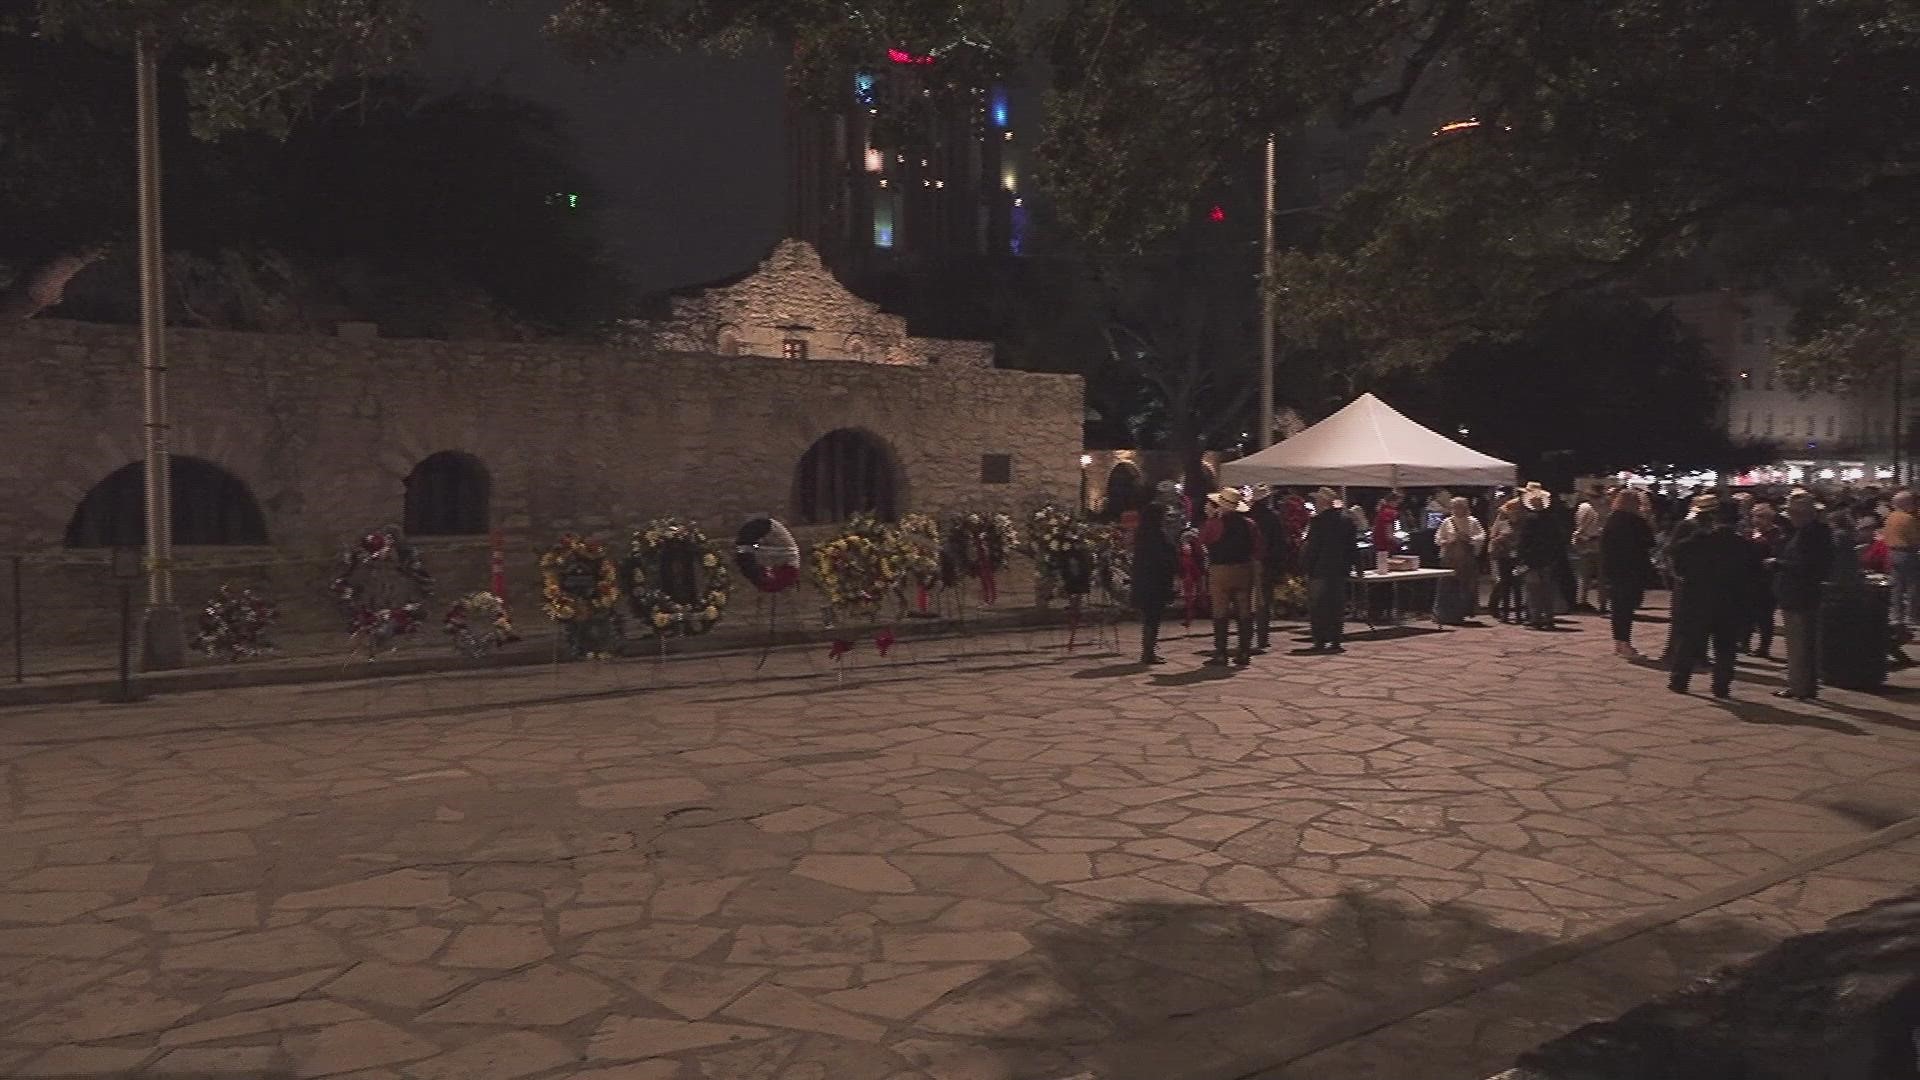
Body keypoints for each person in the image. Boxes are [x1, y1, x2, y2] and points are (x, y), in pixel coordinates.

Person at [1666, 501, 1757, 698]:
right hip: (1730, 601)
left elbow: (1676, 556)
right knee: (1725, 646)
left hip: (1698, 599)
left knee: (1689, 641)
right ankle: (1721, 685)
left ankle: (1679, 680)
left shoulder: (1699, 541)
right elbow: (1752, 576)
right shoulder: (1744, 545)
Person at [1773, 489, 1834, 700]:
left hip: (1800, 594)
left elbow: (1806, 565)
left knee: (1799, 645)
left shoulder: (1810, 534)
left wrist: (1777, 564)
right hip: (1804, 593)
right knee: (1804, 644)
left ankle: (1800, 686)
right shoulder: (1815, 531)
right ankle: (1803, 685)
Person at [1198, 489, 1262, 667]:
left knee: (1220, 611)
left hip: (1220, 570)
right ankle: (1244, 652)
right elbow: (1258, 548)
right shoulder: (1250, 524)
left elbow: (1201, 541)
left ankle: (1221, 653)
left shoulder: (1214, 524)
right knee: (1244, 611)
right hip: (1243, 569)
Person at [1600, 489, 1657, 658]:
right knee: (1626, 608)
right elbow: (1650, 542)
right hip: (1632, 569)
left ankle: (1619, 642)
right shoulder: (1636, 521)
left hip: (1613, 569)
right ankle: (1625, 644)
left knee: (1618, 608)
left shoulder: (1612, 519)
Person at [1131, 481, 1182, 665]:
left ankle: (1149, 649)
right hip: (1155, 582)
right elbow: (1165, 558)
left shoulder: (1144, 536)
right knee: (1153, 616)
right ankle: (1148, 652)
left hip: (1146, 581)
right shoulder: (1156, 536)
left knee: (1150, 616)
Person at [1302, 487, 1357, 653]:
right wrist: (1353, 566)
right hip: (1339, 569)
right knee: (1336, 606)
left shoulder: (1318, 521)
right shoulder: (1346, 520)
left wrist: (1306, 567)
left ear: (1323, 502)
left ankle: (1319, 639)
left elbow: (1312, 548)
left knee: (1318, 606)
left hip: (1320, 568)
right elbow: (1351, 547)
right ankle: (1335, 639)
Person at [1247, 485, 1288, 654]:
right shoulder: (1273, 517)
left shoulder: (1247, 517)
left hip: (1247, 563)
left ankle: (1247, 637)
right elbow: (1279, 543)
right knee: (1264, 601)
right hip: (1266, 564)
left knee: (1247, 601)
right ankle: (1262, 637)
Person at [1516, 485, 1565, 629]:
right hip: (1548, 559)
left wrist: (1522, 559)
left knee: (1534, 591)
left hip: (1533, 560)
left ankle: (1535, 618)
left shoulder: (1529, 520)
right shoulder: (1552, 519)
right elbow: (1558, 540)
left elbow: (1524, 542)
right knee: (1547, 590)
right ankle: (1548, 618)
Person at [1433, 496, 1486, 625]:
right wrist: (1445, 541)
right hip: (1450, 559)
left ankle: (1460, 612)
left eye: (1459, 507)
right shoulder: (1447, 522)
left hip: (1466, 560)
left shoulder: (1472, 522)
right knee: (1447, 586)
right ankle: (1444, 614)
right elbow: (1438, 538)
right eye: (1454, 507)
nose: (1456, 510)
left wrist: (1470, 540)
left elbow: (1481, 536)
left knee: (1465, 587)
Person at [1747, 500, 1784, 659]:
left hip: (1767, 580)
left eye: (1760, 516)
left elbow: (1776, 554)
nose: (1756, 520)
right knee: (1748, 613)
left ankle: (1764, 646)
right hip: (1750, 578)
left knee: (1764, 615)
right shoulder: (1750, 533)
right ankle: (1744, 642)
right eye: (1754, 516)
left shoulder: (1777, 534)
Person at [1571, 484, 1606, 612]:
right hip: (1592, 541)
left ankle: (1584, 602)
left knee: (1586, 575)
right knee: (1595, 576)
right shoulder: (1593, 507)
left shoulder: (1586, 507)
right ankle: (1596, 603)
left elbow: (1579, 524)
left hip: (1590, 541)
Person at [1885, 490, 1918, 627]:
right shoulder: (1908, 519)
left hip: (1892, 552)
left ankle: (1895, 616)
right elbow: (1916, 538)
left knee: (1897, 586)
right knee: (1913, 586)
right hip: (1907, 553)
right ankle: (1911, 616)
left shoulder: (1891, 516)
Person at [1487, 499, 1523, 624]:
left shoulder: (1522, 524)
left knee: (1517, 586)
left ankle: (1519, 613)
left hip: (1517, 557)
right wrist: (1500, 541)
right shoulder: (1502, 523)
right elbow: (1493, 538)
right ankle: (1505, 613)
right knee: (1505, 585)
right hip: (1504, 557)